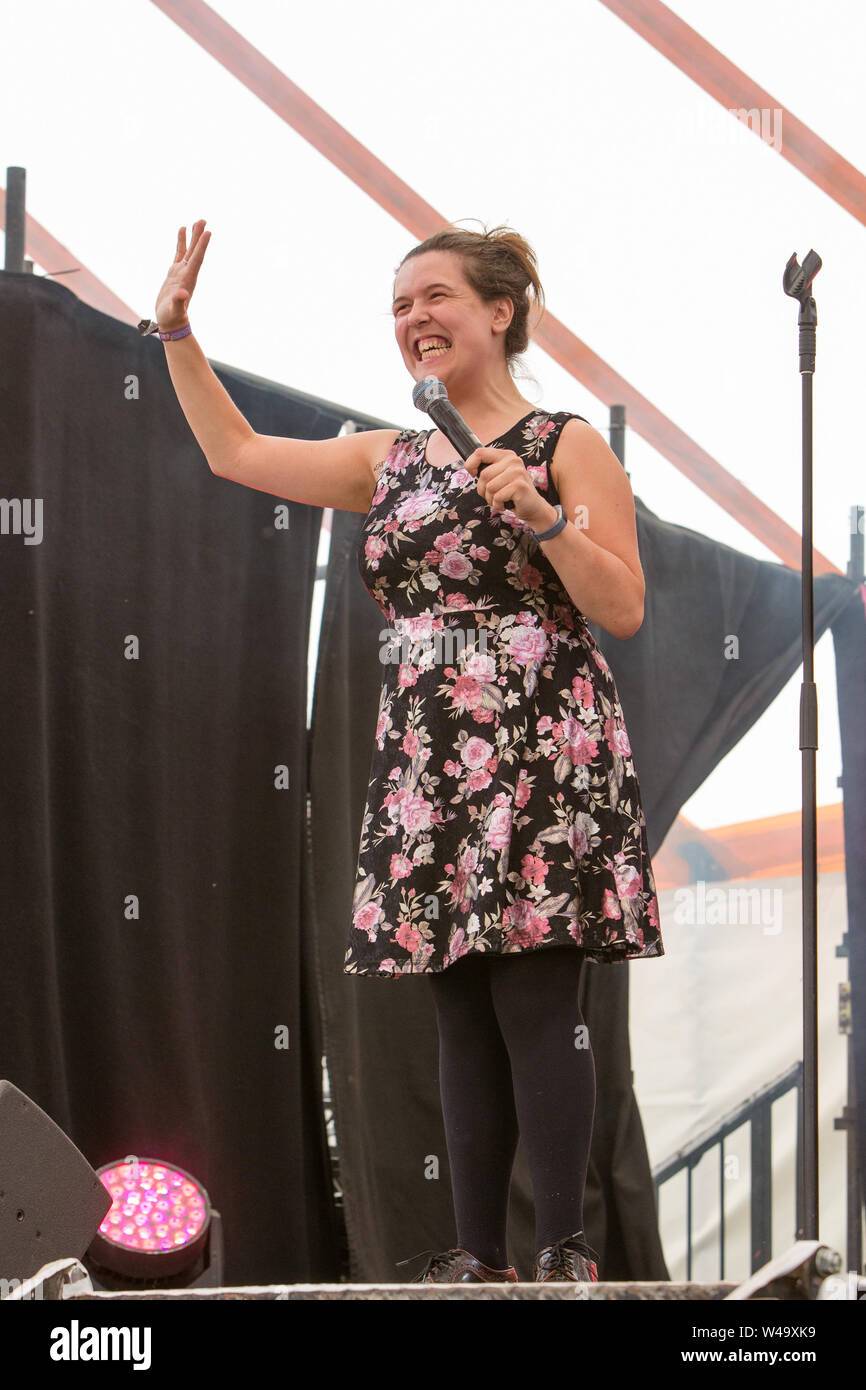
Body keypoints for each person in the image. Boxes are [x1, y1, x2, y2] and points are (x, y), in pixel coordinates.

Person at [153, 218, 663, 1286]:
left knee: (533, 996)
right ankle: (479, 1258)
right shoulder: (386, 459)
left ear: (498, 310)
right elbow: (234, 452)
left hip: (534, 736)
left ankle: (564, 1250)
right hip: (431, 749)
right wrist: (175, 336)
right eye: (397, 307)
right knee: (458, 1003)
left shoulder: (562, 443)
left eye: (433, 297)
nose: (413, 320)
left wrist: (540, 517)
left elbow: (619, 605)